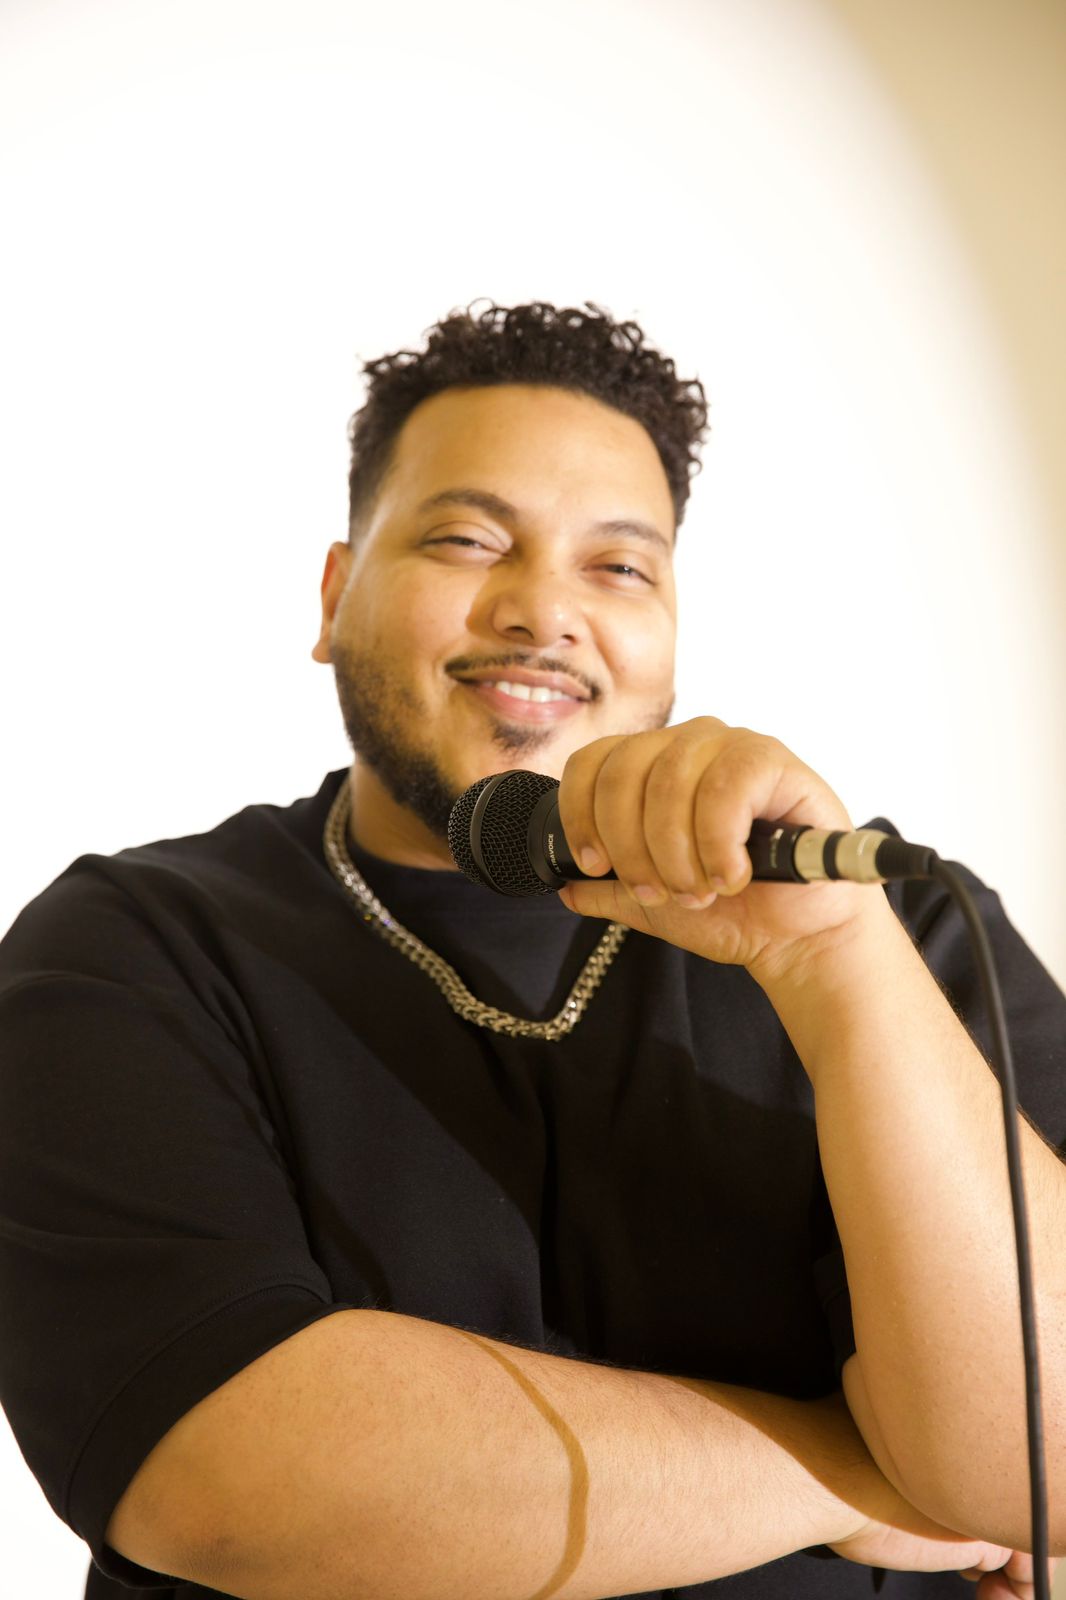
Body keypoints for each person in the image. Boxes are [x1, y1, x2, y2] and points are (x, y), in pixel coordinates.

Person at [1, 299, 1063, 1600]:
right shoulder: (130, 948)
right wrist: (852, 1476)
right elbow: (233, 1476)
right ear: (335, 597)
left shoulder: (893, 927)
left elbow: (1042, 1458)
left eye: (619, 568)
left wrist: (838, 967)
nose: (544, 611)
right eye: (466, 540)